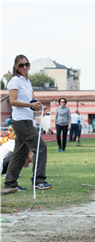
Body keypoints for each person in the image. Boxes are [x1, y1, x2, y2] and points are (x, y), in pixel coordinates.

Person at [1, 54, 52, 196]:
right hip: (20, 122)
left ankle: (10, 184)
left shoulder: (26, 81)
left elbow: (31, 100)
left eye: (27, 64)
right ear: (16, 66)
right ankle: (38, 181)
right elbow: (12, 101)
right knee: (40, 147)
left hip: (27, 120)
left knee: (19, 153)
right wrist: (31, 105)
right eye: (21, 65)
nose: (24, 67)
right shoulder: (15, 81)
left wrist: (39, 106)